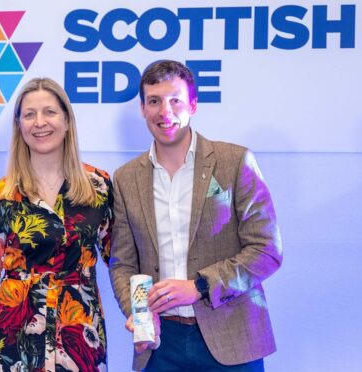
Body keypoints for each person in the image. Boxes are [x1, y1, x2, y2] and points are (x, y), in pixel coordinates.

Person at [109, 60, 283, 371]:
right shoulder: (125, 178)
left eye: (175, 100)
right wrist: (139, 313)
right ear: (143, 109)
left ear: (193, 104)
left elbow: (266, 251)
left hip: (231, 339)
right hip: (160, 345)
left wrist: (199, 286)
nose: (165, 111)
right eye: (154, 101)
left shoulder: (234, 162)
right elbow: (123, 263)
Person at [0, 78, 113, 372]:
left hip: (79, 337)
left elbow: (122, 260)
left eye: (50, 112)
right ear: (19, 125)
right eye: (29, 114)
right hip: (13, 339)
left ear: (67, 121)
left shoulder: (99, 187)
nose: (39, 122)